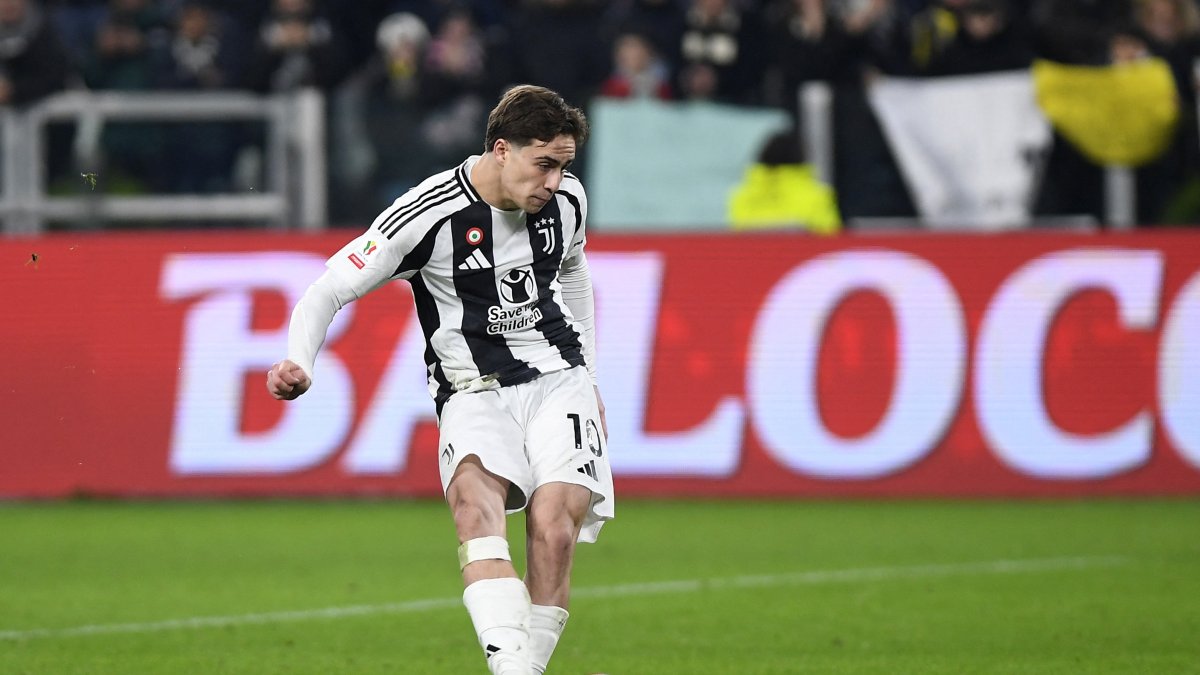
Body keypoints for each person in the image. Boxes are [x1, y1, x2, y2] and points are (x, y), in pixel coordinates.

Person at [266, 84, 613, 675]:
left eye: (564, 166)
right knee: (475, 515)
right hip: (472, 390)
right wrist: (300, 359)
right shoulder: (427, 215)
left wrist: (591, 374)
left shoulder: (568, 203)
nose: (555, 181)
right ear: (502, 150)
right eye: (544, 164)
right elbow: (329, 289)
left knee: (554, 532)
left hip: (559, 379)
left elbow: (574, 271)